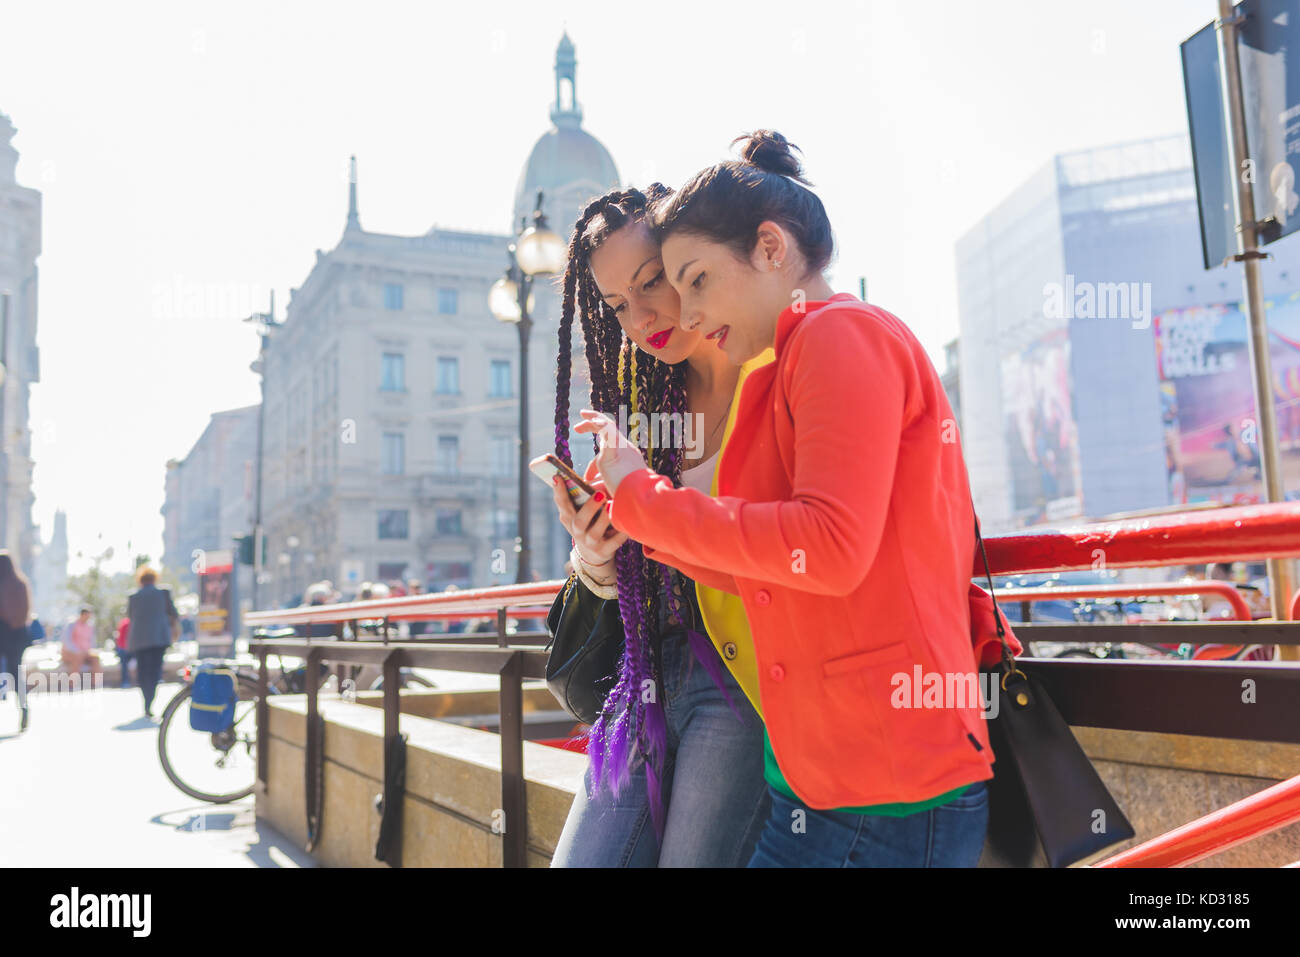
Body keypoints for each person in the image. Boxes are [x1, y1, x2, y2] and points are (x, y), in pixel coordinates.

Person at [579, 131, 1019, 867]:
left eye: (695, 281)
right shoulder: (794, 356)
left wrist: (645, 500)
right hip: (832, 776)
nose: (685, 316)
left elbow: (828, 545)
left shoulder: (838, 336)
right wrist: (629, 511)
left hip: (888, 782)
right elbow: (768, 563)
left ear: (772, 249)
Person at [547, 185, 768, 867]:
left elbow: (796, 537)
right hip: (645, 667)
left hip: (742, 674)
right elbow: (629, 561)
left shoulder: (766, 368)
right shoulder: (643, 395)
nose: (640, 317)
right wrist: (596, 555)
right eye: (616, 305)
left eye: (652, 282)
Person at [126, 566, 179, 718]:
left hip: (140, 639)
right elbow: (174, 613)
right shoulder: (163, 593)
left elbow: (130, 616)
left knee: (143, 672)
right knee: (155, 670)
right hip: (158, 638)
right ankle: (150, 701)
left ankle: (146, 702)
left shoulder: (134, 596)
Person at [0, 552, 33, 731]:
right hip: (19, 634)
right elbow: (26, 610)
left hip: (4, 632)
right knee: (16, 673)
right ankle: (24, 709)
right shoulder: (21, 583)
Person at [62, 607, 103, 685]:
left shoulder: (90, 626)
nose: (88, 618)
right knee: (78, 658)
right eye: (86, 616)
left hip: (85, 652)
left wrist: (91, 650)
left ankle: (96, 683)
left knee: (95, 658)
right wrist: (77, 651)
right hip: (72, 652)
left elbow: (92, 641)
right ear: (81, 615)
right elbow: (67, 641)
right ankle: (73, 684)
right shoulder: (71, 625)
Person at [115, 615, 133, 688]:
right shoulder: (128, 623)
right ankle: (125, 681)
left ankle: (125, 682)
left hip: (126, 648)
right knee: (124, 663)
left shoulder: (124, 622)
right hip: (125, 648)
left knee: (124, 663)